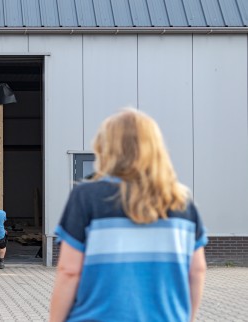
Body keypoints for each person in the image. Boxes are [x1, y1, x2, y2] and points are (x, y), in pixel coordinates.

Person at [49, 108, 208, 322]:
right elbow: (197, 270)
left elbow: (69, 270)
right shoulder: (182, 200)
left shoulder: (87, 196)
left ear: (106, 147)